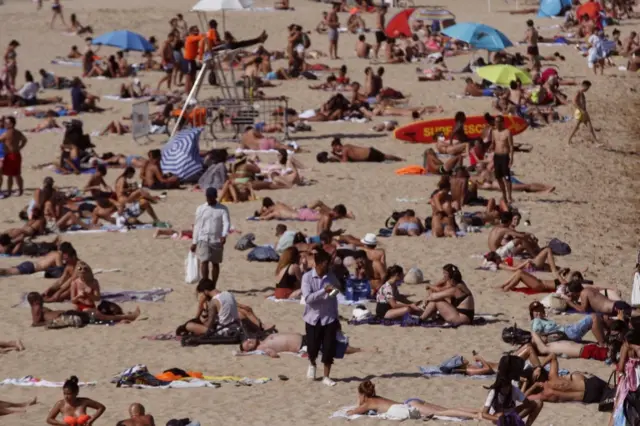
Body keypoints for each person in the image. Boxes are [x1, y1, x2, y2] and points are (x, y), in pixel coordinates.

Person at [301, 249, 341, 386]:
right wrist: (324, 291)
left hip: (329, 316)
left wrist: (332, 292)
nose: (326, 268)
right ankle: (312, 363)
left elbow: (337, 290)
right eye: (324, 264)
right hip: (313, 317)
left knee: (329, 347)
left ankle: (326, 376)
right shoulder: (307, 277)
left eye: (328, 264)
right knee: (312, 347)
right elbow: (308, 298)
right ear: (317, 264)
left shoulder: (330, 276)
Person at [346, 380, 480, 419]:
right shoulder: (376, 398)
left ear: (362, 394)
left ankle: (477, 415)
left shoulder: (368, 403)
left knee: (443, 413)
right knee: (446, 409)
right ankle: (478, 411)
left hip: (410, 406)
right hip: (410, 402)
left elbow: (352, 412)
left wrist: (359, 400)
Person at [481, 355, 543, 425]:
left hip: (511, 414)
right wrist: (498, 418)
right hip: (499, 418)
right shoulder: (495, 391)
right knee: (501, 415)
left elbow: (527, 403)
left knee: (538, 402)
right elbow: (484, 413)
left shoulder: (513, 389)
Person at [527, 354, 610, 404]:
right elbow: (552, 356)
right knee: (615, 389)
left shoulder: (544, 395)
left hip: (588, 397)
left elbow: (524, 398)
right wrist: (539, 367)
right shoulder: (553, 377)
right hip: (590, 384)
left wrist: (533, 386)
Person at [191, 187, 230, 288]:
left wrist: (224, 235)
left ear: (215, 197)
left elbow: (226, 223)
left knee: (215, 263)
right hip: (203, 238)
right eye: (207, 196)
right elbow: (197, 225)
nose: (208, 198)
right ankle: (205, 284)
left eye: (211, 196)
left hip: (216, 239)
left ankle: (214, 284)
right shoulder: (201, 208)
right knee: (204, 261)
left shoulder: (222, 209)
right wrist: (194, 242)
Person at [529, 300, 605, 344]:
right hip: (568, 333)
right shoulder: (536, 321)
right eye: (536, 311)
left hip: (568, 331)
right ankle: (603, 345)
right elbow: (536, 335)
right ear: (532, 313)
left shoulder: (543, 320)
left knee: (598, 317)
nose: (538, 313)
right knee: (594, 317)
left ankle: (605, 342)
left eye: (539, 310)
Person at [239, 332, 373, 357]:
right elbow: (274, 355)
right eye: (248, 345)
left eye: (248, 340)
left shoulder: (264, 339)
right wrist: (269, 353)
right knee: (332, 348)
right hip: (303, 344)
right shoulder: (262, 347)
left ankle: (356, 348)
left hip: (304, 337)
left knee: (330, 338)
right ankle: (361, 350)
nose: (250, 341)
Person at [562, 280, 634, 318]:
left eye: (569, 292)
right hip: (616, 306)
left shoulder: (583, 293)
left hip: (616, 308)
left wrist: (571, 303)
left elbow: (583, 310)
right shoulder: (588, 289)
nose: (568, 294)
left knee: (636, 315)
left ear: (574, 292)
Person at [0, 116, 27, 197]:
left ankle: (10, 191)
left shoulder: (7, 133)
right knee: (15, 174)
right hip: (16, 154)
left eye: (7, 123)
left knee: (12, 175)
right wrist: (20, 147)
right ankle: (19, 190)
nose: (5, 124)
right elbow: (24, 140)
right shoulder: (18, 132)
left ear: (12, 124)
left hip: (10, 155)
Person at [490, 115, 514, 204]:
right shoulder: (493, 132)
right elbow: (493, 143)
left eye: (498, 121)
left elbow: (511, 146)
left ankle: (510, 196)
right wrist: (490, 147)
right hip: (497, 156)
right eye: (495, 121)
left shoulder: (507, 132)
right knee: (499, 177)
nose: (497, 123)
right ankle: (504, 195)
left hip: (504, 157)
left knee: (507, 177)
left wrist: (511, 158)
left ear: (502, 122)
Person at [567, 80, 598, 145]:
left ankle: (596, 142)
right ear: (585, 86)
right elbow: (574, 102)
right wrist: (581, 110)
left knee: (590, 127)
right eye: (587, 88)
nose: (587, 90)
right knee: (576, 127)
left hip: (584, 111)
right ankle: (568, 140)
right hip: (580, 112)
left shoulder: (582, 93)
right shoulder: (578, 92)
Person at [330, 137, 403, 162]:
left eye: (334, 148)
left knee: (385, 157)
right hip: (369, 152)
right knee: (385, 156)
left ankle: (400, 159)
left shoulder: (344, 149)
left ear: (337, 146)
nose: (335, 150)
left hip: (369, 155)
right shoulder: (347, 146)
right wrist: (336, 154)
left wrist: (336, 156)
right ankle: (399, 159)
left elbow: (344, 161)